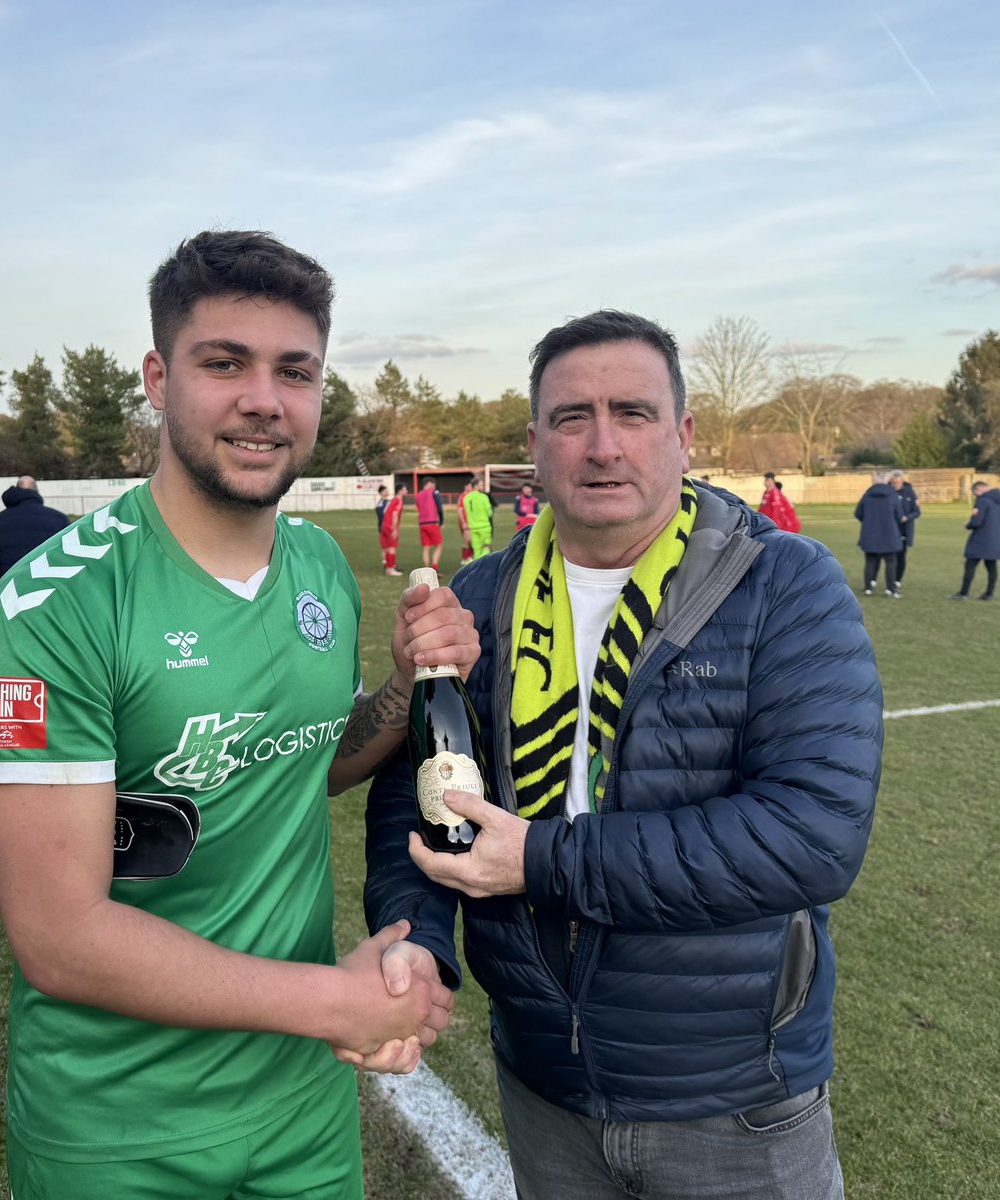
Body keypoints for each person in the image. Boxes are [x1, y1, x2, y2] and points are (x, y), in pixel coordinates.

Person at [0, 230, 479, 1200]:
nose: (264, 400)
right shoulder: (54, 611)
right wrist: (336, 1002)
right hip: (117, 1131)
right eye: (224, 363)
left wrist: (405, 685)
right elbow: (60, 936)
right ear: (159, 379)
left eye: (295, 371)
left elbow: (311, 760)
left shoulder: (319, 566)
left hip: (303, 1111)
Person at [365, 309, 881, 1200]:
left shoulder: (784, 583)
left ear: (683, 434)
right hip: (543, 1086)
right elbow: (421, 792)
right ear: (535, 445)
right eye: (573, 418)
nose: (603, 446)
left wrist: (539, 859)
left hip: (733, 1099)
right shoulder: (479, 595)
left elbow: (813, 834)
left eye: (633, 414)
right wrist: (417, 938)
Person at [0, 475, 71, 581]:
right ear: (36, 491)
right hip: (49, 583)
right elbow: (68, 553)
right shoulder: (60, 518)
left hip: (12, 582)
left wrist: (2, 577)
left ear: (16, 491)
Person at [950, 479, 1000, 600]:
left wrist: (968, 524)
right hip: (997, 539)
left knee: (970, 564)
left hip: (981, 539)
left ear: (978, 489)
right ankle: (989, 593)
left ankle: (963, 593)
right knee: (991, 566)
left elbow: (977, 521)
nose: (975, 496)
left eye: (975, 493)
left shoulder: (982, 500)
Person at [854, 471, 905, 597]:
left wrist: (868, 521)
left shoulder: (867, 494)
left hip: (870, 533)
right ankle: (891, 589)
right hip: (889, 534)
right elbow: (899, 515)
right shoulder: (892, 494)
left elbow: (858, 513)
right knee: (891, 562)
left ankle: (868, 588)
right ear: (886, 480)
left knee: (870, 561)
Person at [889, 469, 920, 591]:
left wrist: (907, 517)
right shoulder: (887, 491)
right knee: (890, 558)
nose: (896, 485)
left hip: (904, 530)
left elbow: (917, 511)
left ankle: (897, 581)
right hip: (889, 530)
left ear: (902, 481)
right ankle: (886, 581)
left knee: (901, 557)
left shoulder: (909, 492)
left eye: (898, 483)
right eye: (894, 483)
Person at [415, 477, 444, 574]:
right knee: (438, 545)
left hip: (422, 524)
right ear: (430, 484)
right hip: (432, 522)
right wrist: (441, 521)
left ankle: (427, 570)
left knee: (426, 547)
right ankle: (434, 569)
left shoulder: (418, 495)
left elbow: (418, 508)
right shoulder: (434, 492)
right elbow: (439, 507)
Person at [463, 478, 494, 559]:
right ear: (476, 486)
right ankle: (483, 563)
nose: (482, 487)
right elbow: (489, 513)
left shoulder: (466, 498)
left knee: (476, 550)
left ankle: (477, 564)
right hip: (484, 527)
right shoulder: (483, 497)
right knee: (486, 547)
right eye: (481, 485)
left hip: (473, 527)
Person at [380, 483, 407, 576]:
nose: (406, 491)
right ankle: (391, 569)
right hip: (390, 527)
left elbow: (385, 512)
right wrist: (395, 529)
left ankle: (388, 568)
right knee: (392, 548)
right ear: (400, 491)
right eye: (405, 489)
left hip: (384, 526)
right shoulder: (398, 501)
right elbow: (394, 514)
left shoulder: (392, 500)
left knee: (388, 548)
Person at [457, 480, 475, 565]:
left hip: (472, 521)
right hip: (465, 521)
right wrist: (463, 522)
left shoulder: (472, 496)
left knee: (472, 540)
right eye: (470, 486)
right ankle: (465, 558)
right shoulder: (463, 497)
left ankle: (470, 556)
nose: (471, 488)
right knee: (467, 540)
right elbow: (459, 510)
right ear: (466, 487)